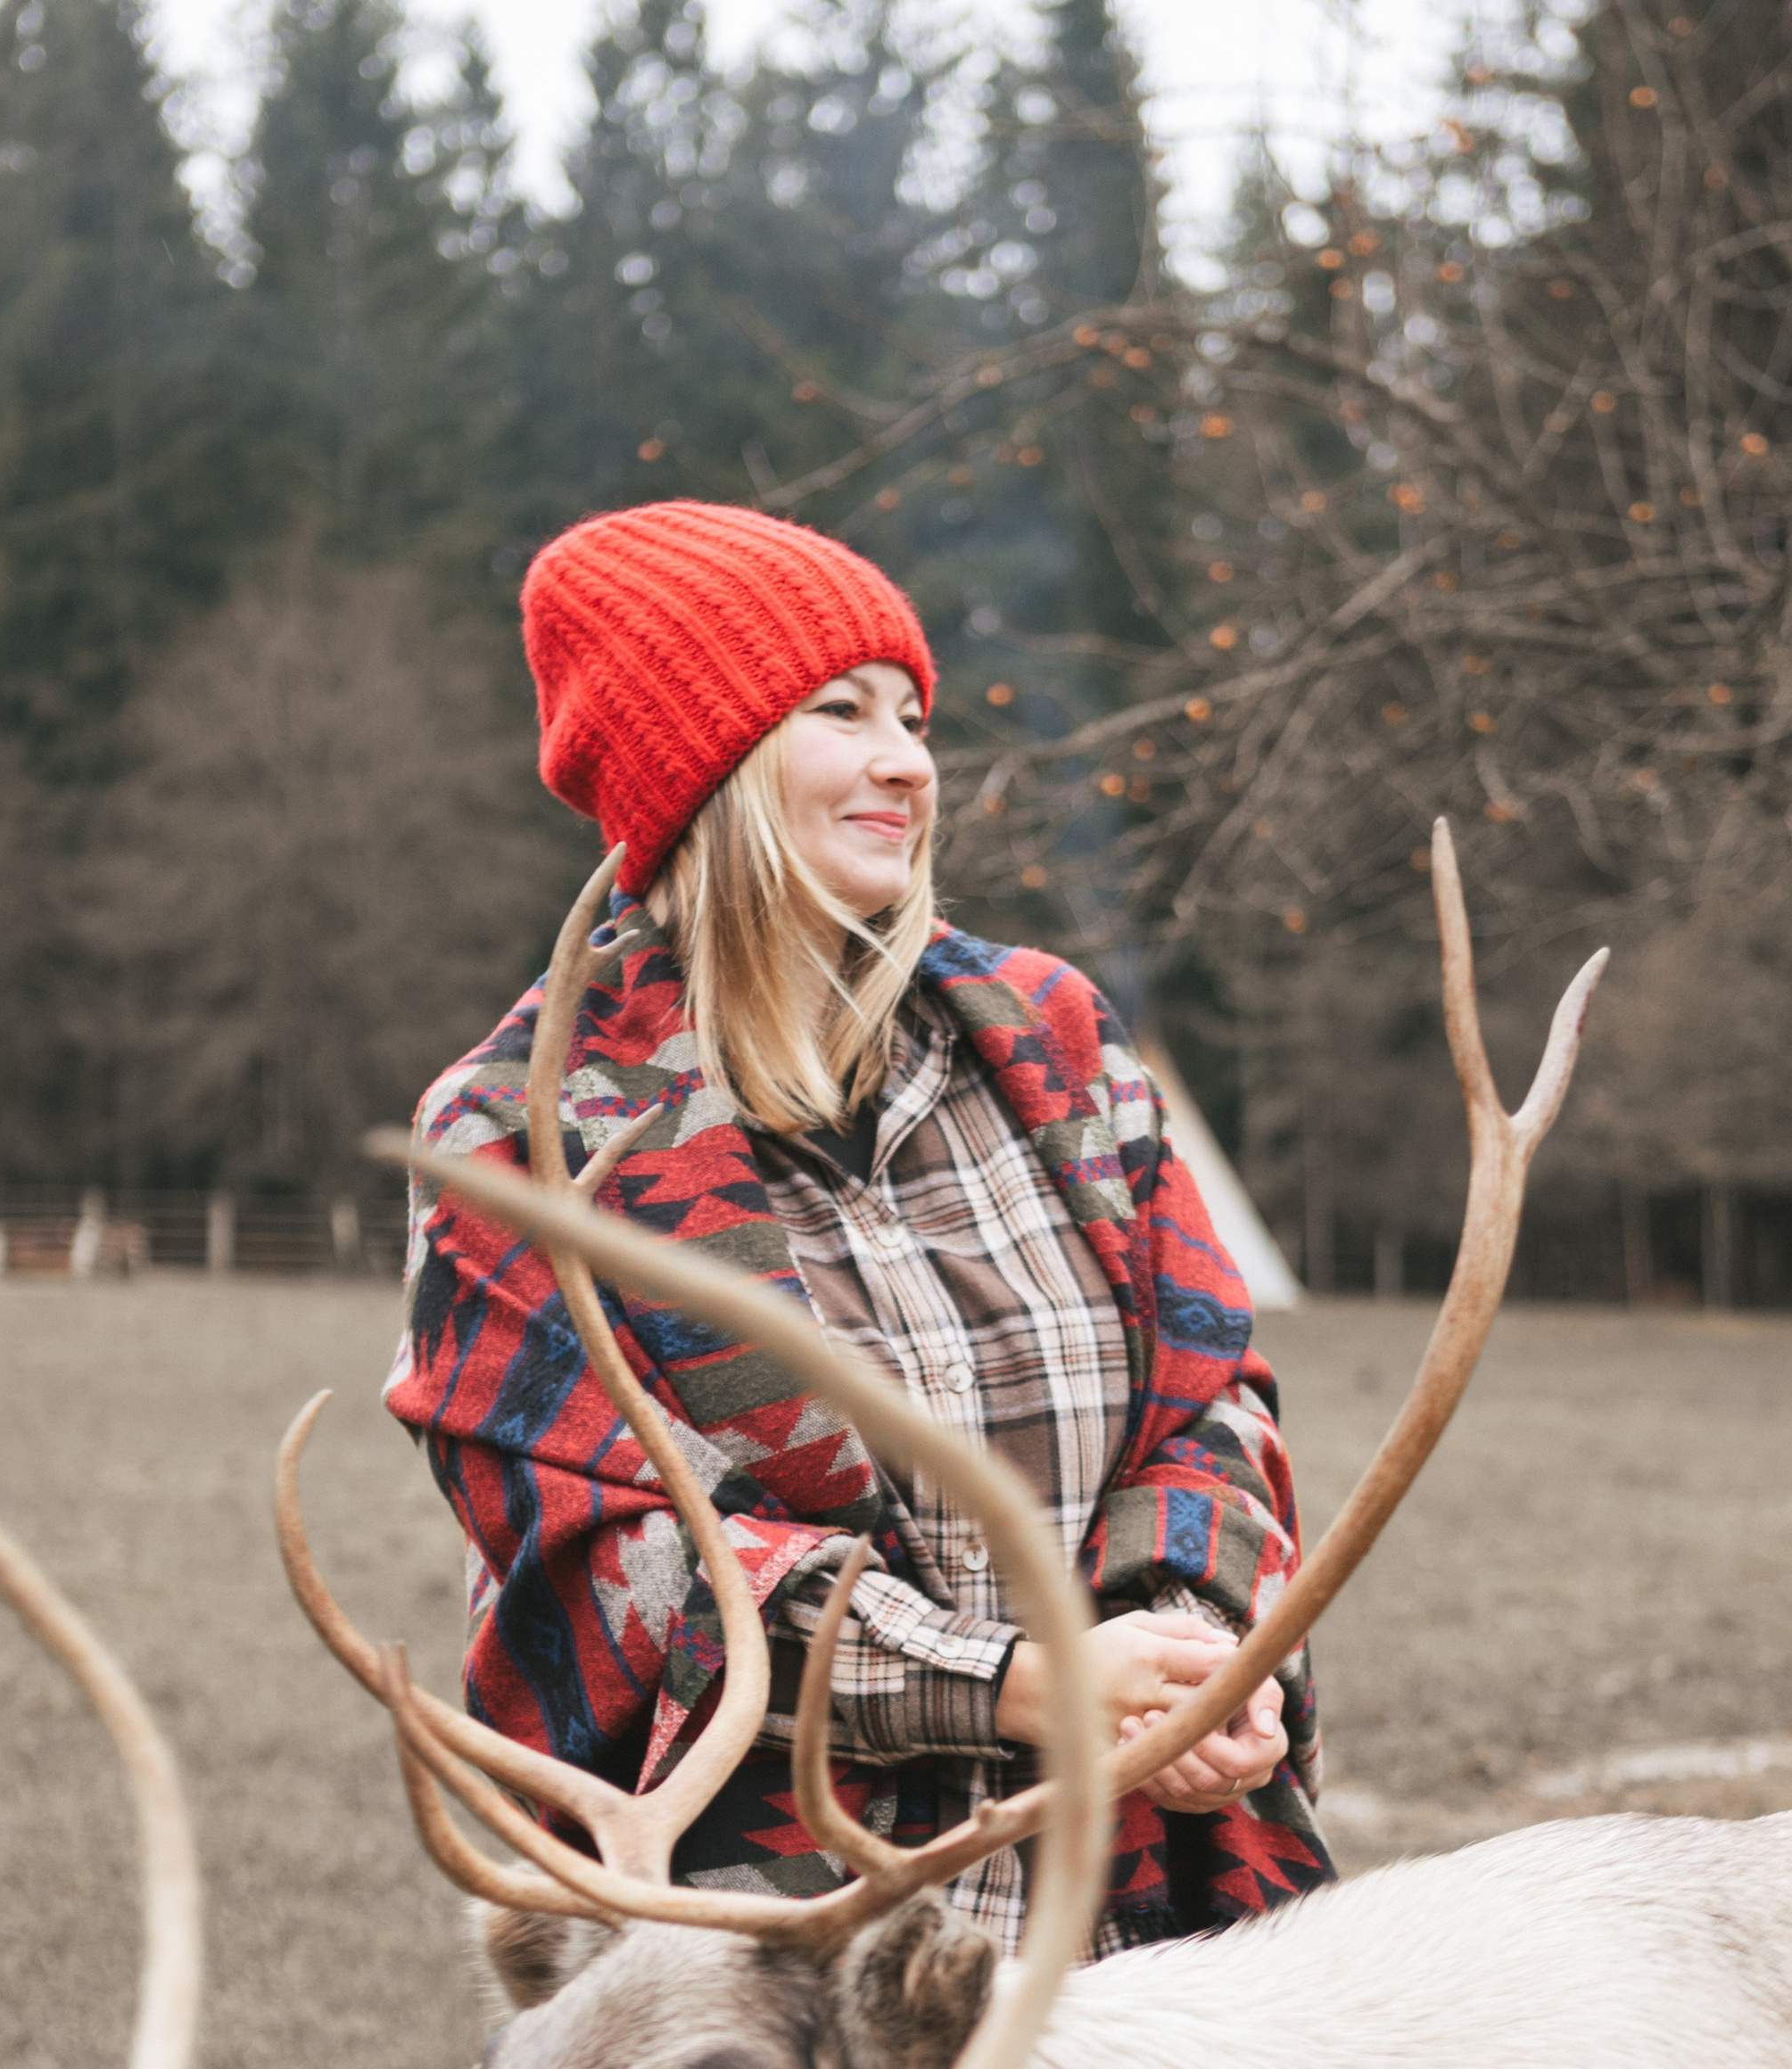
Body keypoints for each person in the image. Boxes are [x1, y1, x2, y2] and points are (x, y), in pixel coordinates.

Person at [388, 497, 1333, 1968]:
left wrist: (1185, 1652)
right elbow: (617, 1569)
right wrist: (1013, 1684)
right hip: (784, 1962)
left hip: (1139, 1923)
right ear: (700, 766)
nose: (909, 758)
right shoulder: (516, 1137)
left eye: (912, 713)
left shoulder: (1055, 1039)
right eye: (841, 711)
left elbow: (1206, 1402)